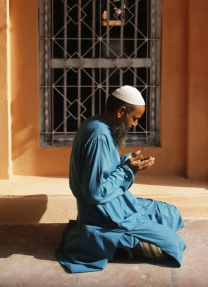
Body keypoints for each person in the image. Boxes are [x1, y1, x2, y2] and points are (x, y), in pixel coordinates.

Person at [55, 85, 186, 273]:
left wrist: (128, 162)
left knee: (171, 213)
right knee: (174, 245)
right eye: (134, 119)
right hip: (104, 214)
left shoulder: (99, 125)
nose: (134, 125)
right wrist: (127, 171)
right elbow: (94, 193)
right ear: (121, 111)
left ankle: (126, 238)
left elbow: (105, 171)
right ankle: (111, 244)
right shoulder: (99, 135)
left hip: (119, 203)